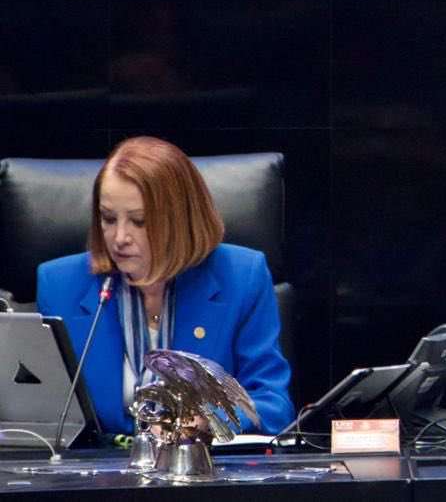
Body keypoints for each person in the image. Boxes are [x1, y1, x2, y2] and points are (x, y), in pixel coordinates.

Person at [37, 136, 293, 435]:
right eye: (108, 218)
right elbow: (44, 413)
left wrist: (209, 421)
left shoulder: (241, 276)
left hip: (202, 470)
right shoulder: (60, 285)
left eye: (139, 221)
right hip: (102, 473)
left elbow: (273, 403)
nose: (119, 238)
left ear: (180, 219)